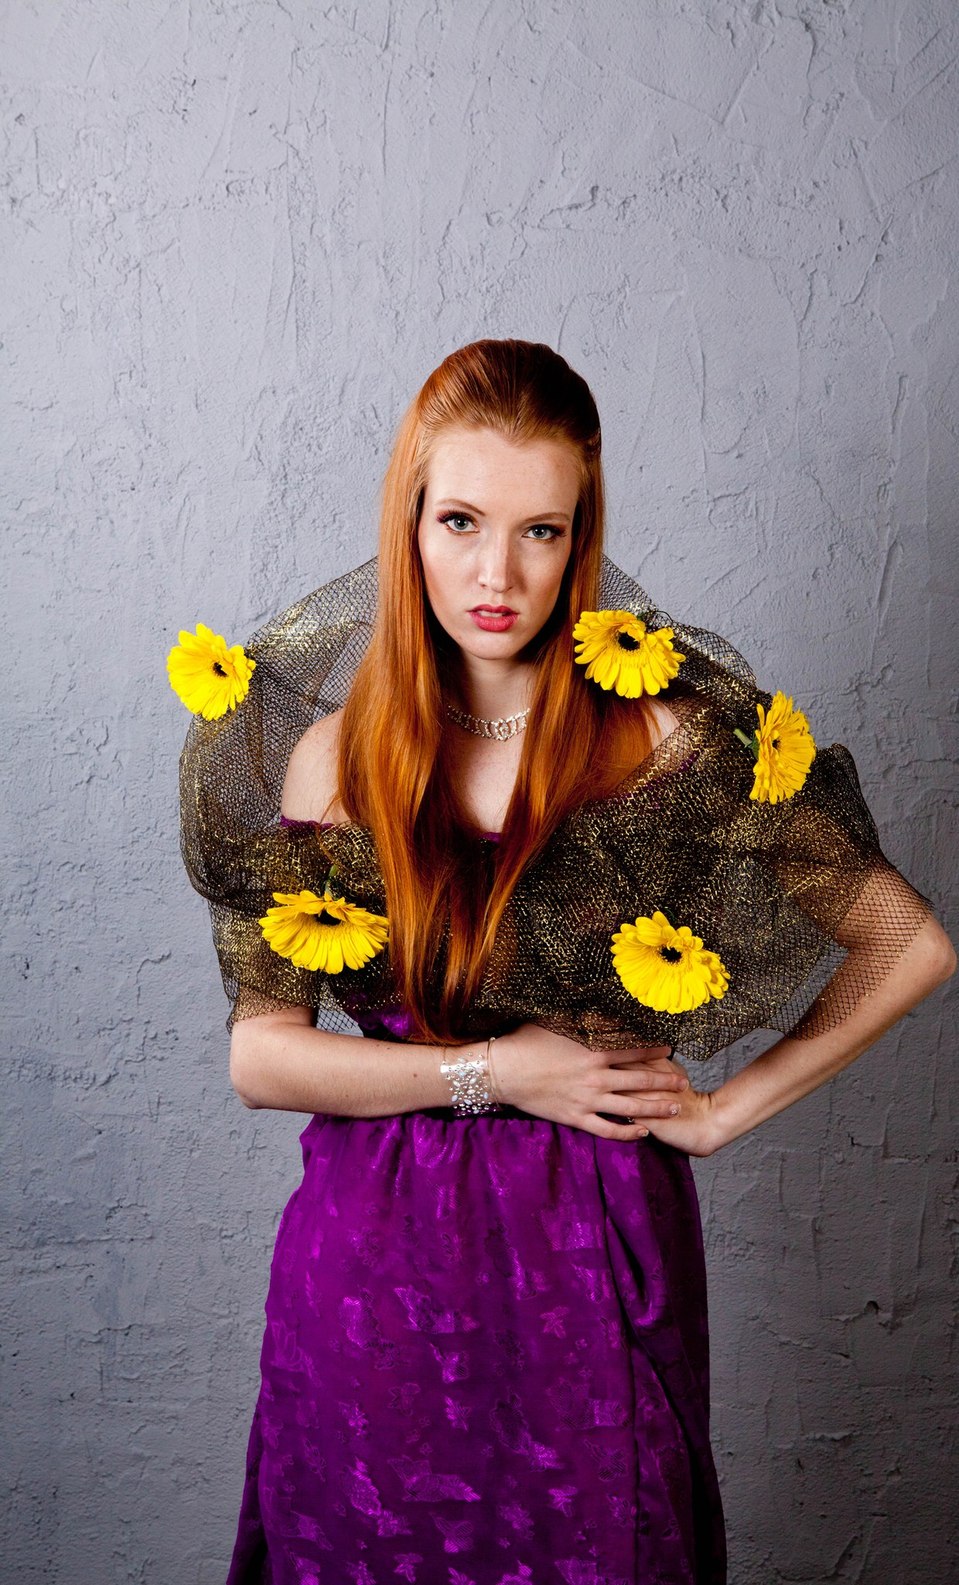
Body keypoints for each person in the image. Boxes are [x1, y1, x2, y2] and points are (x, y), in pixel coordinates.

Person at [173, 339, 954, 1585]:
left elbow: (903, 941)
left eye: (540, 531)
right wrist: (498, 1072)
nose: (496, 573)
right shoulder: (330, 755)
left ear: (581, 537)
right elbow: (262, 1057)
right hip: (370, 1263)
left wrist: (717, 1113)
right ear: (408, 521)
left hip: (594, 1251)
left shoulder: (667, 736)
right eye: (462, 521)